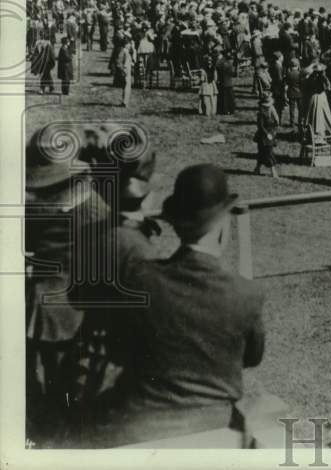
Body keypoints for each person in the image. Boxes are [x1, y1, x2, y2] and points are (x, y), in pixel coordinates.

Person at [88, 164, 265, 447]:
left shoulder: (141, 279)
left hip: (139, 428)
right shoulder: (245, 292)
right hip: (214, 429)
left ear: (176, 223)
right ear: (222, 224)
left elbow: (119, 349)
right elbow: (252, 356)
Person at [25, 125, 113, 443]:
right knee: (68, 393)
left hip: (48, 308)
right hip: (72, 314)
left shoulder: (40, 210)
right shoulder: (97, 213)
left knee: (54, 388)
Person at [253, 93, 280, 177]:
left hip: (270, 135)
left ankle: (257, 169)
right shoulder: (261, 113)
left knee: (262, 154)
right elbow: (260, 126)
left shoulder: (271, 111)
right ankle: (273, 172)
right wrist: (267, 134)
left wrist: (274, 131)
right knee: (269, 153)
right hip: (263, 137)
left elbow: (276, 123)